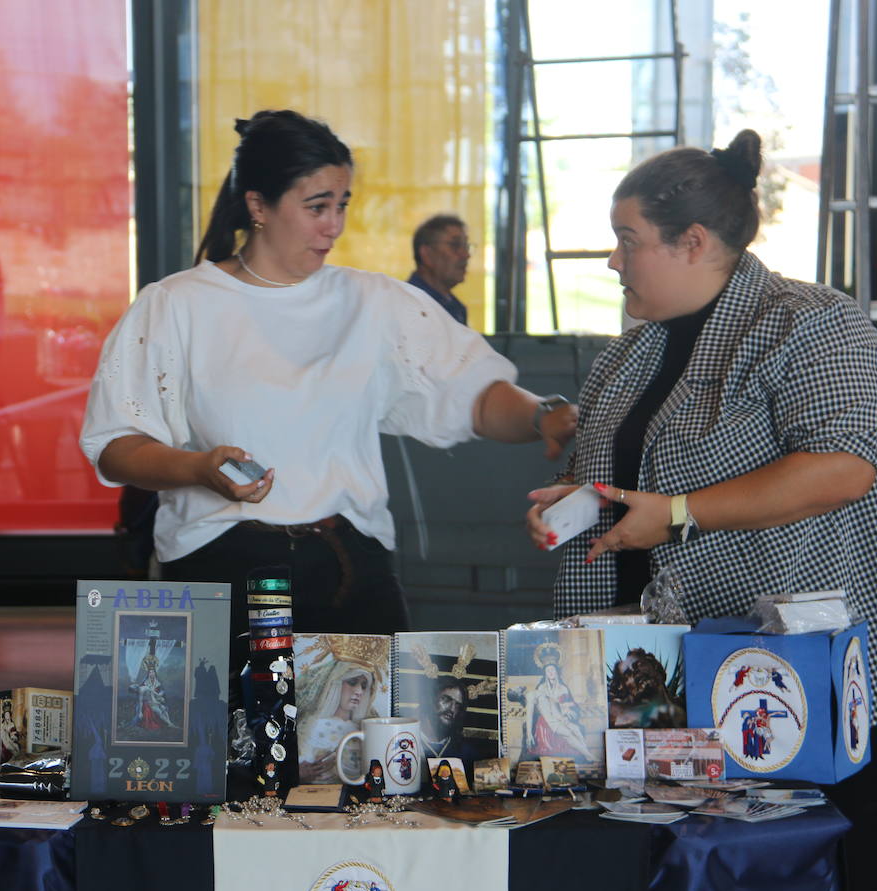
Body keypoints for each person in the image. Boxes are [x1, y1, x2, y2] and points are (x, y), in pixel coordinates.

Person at [525, 128, 877, 891]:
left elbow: (845, 466)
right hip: (661, 687)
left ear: (693, 242)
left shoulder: (813, 324)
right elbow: (620, 475)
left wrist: (679, 515)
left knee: (837, 886)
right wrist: (575, 500)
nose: (613, 262)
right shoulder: (630, 351)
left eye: (626, 241)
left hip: (810, 680)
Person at [81, 109, 576, 682]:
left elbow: (473, 392)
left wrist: (540, 415)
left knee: (375, 757)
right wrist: (197, 467)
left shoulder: (372, 302)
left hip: (352, 569)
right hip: (224, 570)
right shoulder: (175, 305)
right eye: (317, 206)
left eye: (342, 204)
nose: (334, 225)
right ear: (258, 205)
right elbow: (118, 443)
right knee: (245, 759)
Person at [297, 661, 379, 783]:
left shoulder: (363, 729)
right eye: (352, 682)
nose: (359, 691)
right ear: (335, 684)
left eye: (363, 686)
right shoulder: (310, 727)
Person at [407, 214, 470, 323]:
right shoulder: (410, 305)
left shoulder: (456, 307)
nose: (466, 255)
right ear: (426, 254)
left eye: (466, 246)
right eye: (455, 245)